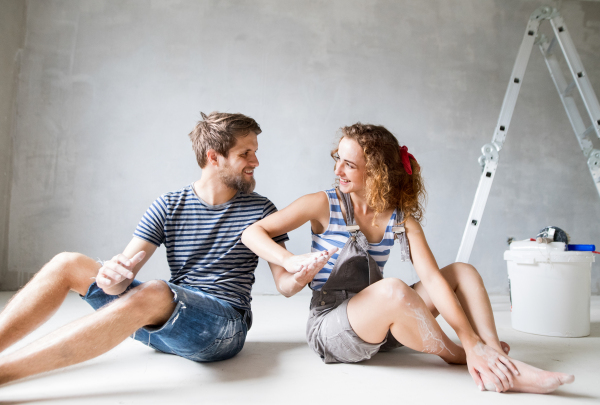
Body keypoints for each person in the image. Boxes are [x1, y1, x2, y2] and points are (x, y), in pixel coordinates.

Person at [0, 111, 334, 385]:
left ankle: (6, 374)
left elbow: (285, 287)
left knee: (157, 292)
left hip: (221, 330)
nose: (256, 161)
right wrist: (111, 276)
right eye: (245, 153)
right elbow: (118, 283)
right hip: (158, 320)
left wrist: (302, 271)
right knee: (67, 262)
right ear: (213, 157)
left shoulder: (260, 210)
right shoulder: (169, 205)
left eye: (255, 151)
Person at [241, 122, 575, 394]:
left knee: (462, 271)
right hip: (332, 328)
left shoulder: (401, 219)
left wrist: (475, 338)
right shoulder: (321, 203)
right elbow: (252, 233)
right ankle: (463, 356)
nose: (337, 169)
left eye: (349, 164)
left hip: (382, 323)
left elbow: (433, 280)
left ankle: (488, 351)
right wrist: (288, 261)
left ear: (377, 173)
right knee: (394, 289)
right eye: (337, 158)